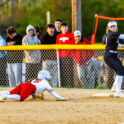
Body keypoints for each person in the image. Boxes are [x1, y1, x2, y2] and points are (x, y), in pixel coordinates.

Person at [0, 70, 70, 102]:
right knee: (21, 98)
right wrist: (63, 98)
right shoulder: (45, 83)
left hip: (24, 84)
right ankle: (5, 96)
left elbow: (32, 92)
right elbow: (54, 95)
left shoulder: (34, 80)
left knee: (11, 92)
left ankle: (1, 93)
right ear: (45, 76)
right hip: (29, 86)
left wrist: (34, 97)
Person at [104, 20, 124, 97]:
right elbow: (122, 36)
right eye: (111, 27)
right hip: (109, 55)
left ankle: (114, 87)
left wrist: (121, 46)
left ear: (116, 26)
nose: (113, 28)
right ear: (109, 28)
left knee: (122, 70)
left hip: (113, 55)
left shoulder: (113, 35)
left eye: (114, 26)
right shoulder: (112, 34)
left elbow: (116, 44)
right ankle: (118, 92)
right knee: (119, 71)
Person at [56, 22, 76, 87]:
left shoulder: (71, 35)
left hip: (69, 56)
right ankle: (63, 86)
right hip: (61, 57)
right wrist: (57, 56)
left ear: (67, 28)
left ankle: (70, 85)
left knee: (69, 72)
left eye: (65, 27)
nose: (64, 28)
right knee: (62, 72)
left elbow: (73, 45)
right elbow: (57, 46)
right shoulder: (58, 36)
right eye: (63, 27)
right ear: (60, 28)